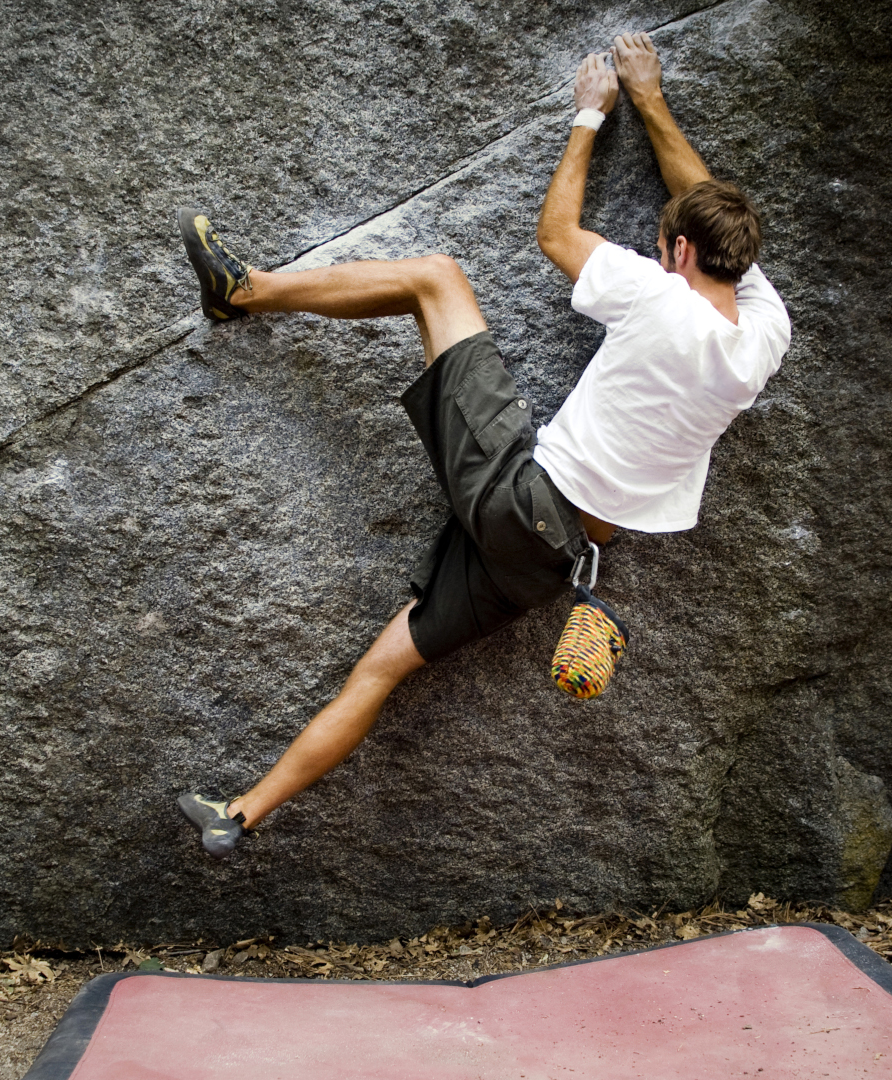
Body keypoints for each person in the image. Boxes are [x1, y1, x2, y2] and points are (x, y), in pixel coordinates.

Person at [176, 32, 791, 856]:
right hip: (544, 567)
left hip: (517, 495)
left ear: (676, 253)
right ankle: (241, 814)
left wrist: (594, 111)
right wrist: (654, 103)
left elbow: (557, 232)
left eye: (662, 245)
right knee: (384, 668)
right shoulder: (764, 339)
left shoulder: (656, 294)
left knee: (437, 277)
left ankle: (243, 293)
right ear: (736, 262)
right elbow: (717, 226)